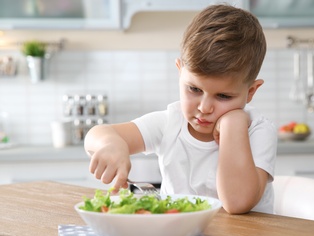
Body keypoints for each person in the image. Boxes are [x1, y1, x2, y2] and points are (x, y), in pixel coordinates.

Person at [84, 4, 277, 214]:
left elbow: (237, 203)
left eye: (223, 96)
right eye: (194, 89)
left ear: (251, 92)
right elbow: (96, 135)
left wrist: (233, 124)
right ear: (180, 71)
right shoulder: (170, 123)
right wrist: (112, 144)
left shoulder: (258, 130)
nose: (204, 108)